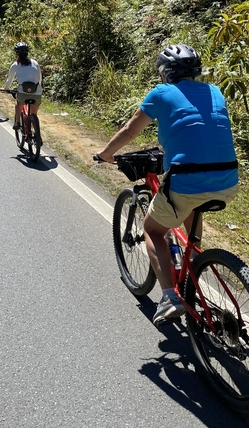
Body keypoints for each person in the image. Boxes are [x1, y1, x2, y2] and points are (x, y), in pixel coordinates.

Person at [96, 44, 239, 325]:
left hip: (186, 179)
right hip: (228, 180)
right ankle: (195, 262)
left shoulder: (161, 93)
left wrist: (106, 154)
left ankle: (169, 297)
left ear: (165, 72)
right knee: (189, 204)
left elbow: (130, 129)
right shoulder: (215, 91)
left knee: (152, 228)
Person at [3, 42, 43, 129]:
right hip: (37, 92)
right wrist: (39, 87)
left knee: (18, 103)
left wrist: (6, 88)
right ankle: (36, 133)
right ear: (27, 52)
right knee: (34, 113)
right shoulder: (35, 62)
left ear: (16, 53)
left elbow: (9, 80)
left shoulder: (15, 65)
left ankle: (17, 122)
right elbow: (40, 77)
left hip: (23, 93)